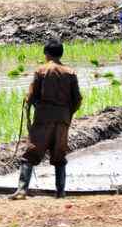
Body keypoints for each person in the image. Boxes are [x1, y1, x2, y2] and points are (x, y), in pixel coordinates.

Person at [10, 39, 82, 200]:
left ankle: (22, 190)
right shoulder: (70, 73)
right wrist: (67, 114)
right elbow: (77, 99)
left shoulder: (41, 71)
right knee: (59, 155)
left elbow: (31, 96)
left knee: (31, 154)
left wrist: (29, 113)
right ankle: (60, 192)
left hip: (43, 118)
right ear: (61, 54)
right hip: (62, 119)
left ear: (47, 54)